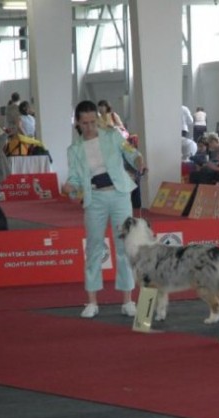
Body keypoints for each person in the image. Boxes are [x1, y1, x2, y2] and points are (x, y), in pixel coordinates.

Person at [62, 100, 145, 319]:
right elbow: (74, 179)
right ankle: (92, 302)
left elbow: (131, 152)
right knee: (94, 248)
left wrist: (138, 160)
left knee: (125, 247)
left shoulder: (113, 136)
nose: (90, 126)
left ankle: (128, 301)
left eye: (93, 121)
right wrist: (70, 187)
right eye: (85, 123)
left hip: (119, 195)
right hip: (94, 198)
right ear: (77, 123)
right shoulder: (74, 150)